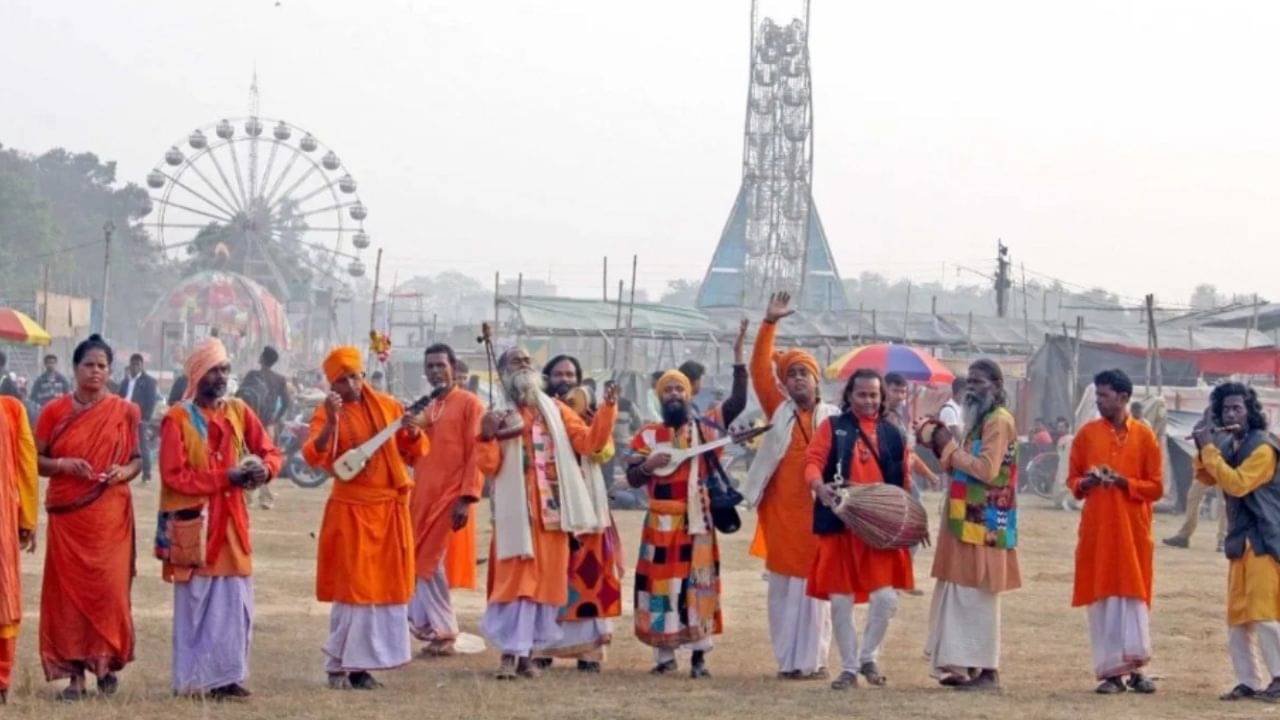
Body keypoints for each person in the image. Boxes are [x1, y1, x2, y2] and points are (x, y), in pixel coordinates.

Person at [475, 347, 616, 679]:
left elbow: (588, 443)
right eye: (515, 362)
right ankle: (510, 655)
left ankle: (527, 656)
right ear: (503, 372)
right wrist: (486, 434)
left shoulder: (557, 410)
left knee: (543, 586)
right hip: (516, 515)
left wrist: (608, 410)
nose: (524, 366)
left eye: (527, 361)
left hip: (552, 516)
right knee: (518, 584)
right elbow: (489, 466)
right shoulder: (497, 413)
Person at [158, 338, 282, 699]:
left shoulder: (239, 411)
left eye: (225, 369)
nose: (221, 376)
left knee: (234, 602)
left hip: (232, 523)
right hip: (195, 526)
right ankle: (196, 679)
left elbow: (270, 451)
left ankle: (228, 677)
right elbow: (174, 475)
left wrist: (265, 470)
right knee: (197, 604)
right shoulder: (177, 419)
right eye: (213, 370)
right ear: (197, 374)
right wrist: (224, 478)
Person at [304, 347, 430, 690]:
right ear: (332, 384)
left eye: (355, 376)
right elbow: (315, 455)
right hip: (351, 512)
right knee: (354, 589)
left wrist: (413, 430)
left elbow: (413, 450)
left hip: (389, 510)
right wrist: (331, 420)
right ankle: (341, 665)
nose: (352, 384)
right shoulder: (327, 412)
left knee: (383, 587)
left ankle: (365, 665)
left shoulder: (388, 405)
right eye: (342, 379)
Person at [34, 334, 141, 700]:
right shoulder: (54, 411)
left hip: (109, 516)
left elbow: (138, 460)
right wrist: (62, 464)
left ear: (111, 371)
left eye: (102, 366)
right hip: (69, 519)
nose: (95, 372)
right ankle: (75, 676)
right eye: (88, 365)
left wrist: (122, 472)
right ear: (75, 368)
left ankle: (105, 665)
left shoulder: (125, 412)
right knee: (68, 597)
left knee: (109, 593)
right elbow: (36, 460)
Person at [742, 292, 836, 681]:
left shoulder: (833, 417)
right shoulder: (776, 410)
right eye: (792, 373)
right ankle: (787, 662)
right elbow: (759, 370)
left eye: (804, 373)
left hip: (820, 517)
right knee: (783, 589)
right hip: (782, 516)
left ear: (816, 381)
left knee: (816, 594)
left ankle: (812, 661)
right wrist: (769, 323)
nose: (798, 379)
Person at [805, 368, 913, 690]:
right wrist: (818, 485)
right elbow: (813, 459)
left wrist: (902, 516)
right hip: (840, 525)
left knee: (884, 599)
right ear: (849, 396)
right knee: (840, 601)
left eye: (874, 395)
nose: (868, 401)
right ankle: (849, 668)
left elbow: (903, 480)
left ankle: (869, 656)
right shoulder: (832, 428)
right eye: (862, 394)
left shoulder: (893, 434)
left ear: (882, 398)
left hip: (878, 530)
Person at [920, 359, 1021, 692]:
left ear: (997, 384)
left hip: (986, 521)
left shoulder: (999, 421)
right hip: (966, 518)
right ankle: (965, 666)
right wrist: (940, 444)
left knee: (977, 592)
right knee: (961, 589)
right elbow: (960, 465)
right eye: (970, 381)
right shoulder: (980, 422)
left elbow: (987, 470)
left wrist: (947, 445)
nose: (972, 388)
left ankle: (988, 671)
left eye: (979, 382)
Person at [627, 370, 728, 679]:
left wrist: (738, 359)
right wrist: (647, 466)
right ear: (660, 396)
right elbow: (632, 477)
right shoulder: (647, 435)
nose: (673, 394)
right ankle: (665, 657)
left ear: (689, 395)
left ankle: (699, 658)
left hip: (696, 521)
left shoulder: (706, 432)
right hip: (659, 523)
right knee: (660, 588)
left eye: (679, 389)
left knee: (698, 586)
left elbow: (736, 402)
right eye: (667, 389)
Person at [1067, 369, 1162, 694]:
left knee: (1133, 597)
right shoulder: (1086, 435)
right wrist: (1087, 483)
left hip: (1133, 531)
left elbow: (1157, 486)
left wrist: (1124, 483)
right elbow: (1073, 481)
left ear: (1123, 398)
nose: (1098, 401)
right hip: (1098, 530)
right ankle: (1110, 674)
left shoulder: (1145, 436)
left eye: (1104, 396)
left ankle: (1137, 671)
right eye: (1097, 395)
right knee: (1104, 597)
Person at [531, 354, 624, 672]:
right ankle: (543, 647)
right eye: (558, 373)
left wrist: (607, 412)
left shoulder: (589, 415)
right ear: (546, 378)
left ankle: (588, 652)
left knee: (588, 575)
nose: (565, 379)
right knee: (551, 575)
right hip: (548, 504)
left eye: (571, 373)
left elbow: (597, 449)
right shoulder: (536, 412)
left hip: (587, 505)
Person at [1189, 383, 1280, 702]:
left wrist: (1211, 450)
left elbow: (1238, 484)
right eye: (1225, 409)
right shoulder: (1229, 444)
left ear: (1250, 412)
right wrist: (1204, 447)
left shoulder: (1264, 449)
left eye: (1237, 408)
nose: (1230, 414)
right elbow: (1206, 476)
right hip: (1240, 542)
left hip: (1264, 539)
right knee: (1238, 614)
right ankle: (1249, 681)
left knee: (1264, 613)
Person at [409, 343, 485, 657]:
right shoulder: (425, 407)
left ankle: (444, 630)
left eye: (441, 365)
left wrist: (466, 498)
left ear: (453, 367)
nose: (436, 371)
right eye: (430, 367)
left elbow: (476, 454)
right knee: (418, 562)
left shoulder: (470, 404)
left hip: (450, 495)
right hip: (420, 495)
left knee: (431, 562)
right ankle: (428, 627)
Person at [0, 393, 37, 703]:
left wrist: (27, 517)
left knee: (3, 598)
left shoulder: (11, 409)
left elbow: (26, 463)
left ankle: (1, 679)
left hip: (2, 521)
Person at [238, 346, 293, 510]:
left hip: (249, 424)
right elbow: (287, 403)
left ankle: (247, 496)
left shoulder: (252, 375)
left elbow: (239, 395)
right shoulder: (280, 379)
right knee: (266, 460)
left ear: (262, 358)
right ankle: (264, 497)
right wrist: (275, 419)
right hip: (268, 425)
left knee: (245, 458)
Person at [119, 353, 159, 483]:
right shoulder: (125, 382)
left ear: (142, 366)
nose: (135, 367)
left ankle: (146, 474)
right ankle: (123, 470)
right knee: (122, 443)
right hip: (124, 417)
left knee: (142, 445)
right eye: (133, 364)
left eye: (138, 365)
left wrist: (145, 418)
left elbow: (151, 401)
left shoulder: (149, 381)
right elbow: (119, 398)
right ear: (129, 366)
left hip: (140, 418)